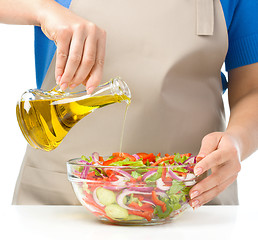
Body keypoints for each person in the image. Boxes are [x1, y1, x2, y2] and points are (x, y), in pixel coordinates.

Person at [1, 0, 257, 208]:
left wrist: (237, 142)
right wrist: (43, 9)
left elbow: (252, 89)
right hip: (62, 199)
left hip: (191, 198)